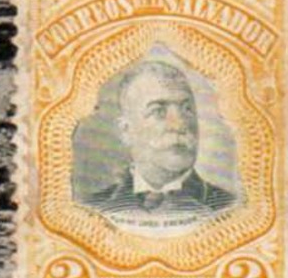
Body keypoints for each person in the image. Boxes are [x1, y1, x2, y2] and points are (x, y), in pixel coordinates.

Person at [81, 60, 237, 230]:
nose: (179, 124)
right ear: (126, 131)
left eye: (187, 109)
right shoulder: (89, 210)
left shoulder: (230, 209)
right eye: (158, 111)